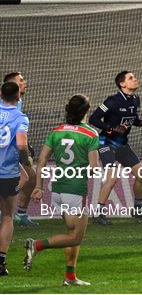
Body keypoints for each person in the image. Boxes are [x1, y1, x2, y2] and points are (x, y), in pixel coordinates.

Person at [24, 94, 99, 286]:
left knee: (71, 234)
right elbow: (93, 167)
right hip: (74, 190)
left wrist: (39, 186)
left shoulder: (56, 131)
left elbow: (41, 161)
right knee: (76, 237)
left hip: (56, 189)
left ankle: (70, 276)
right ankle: (37, 245)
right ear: (86, 111)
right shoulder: (91, 134)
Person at [89, 71, 142, 225]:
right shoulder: (112, 101)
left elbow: (133, 120)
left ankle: (137, 210)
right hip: (106, 143)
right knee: (112, 178)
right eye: (131, 78)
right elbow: (93, 119)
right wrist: (111, 129)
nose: (135, 79)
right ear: (122, 84)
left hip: (122, 144)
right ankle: (98, 214)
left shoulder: (136, 99)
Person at [0, 82, 35, 275]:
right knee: (7, 216)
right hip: (7, 173)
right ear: (18, 97)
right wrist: (26, 159)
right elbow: (21, 144)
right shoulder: (20, 117)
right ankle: (0, 261)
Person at [3, 72, 38, 227]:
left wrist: (26, 146)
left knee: (30, 176)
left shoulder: (17, 102)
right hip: (5, 155)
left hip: (10, 151)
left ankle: (21, 213)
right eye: (21, 80)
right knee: (25, 177)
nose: (25, 82)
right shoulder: (7, 105)